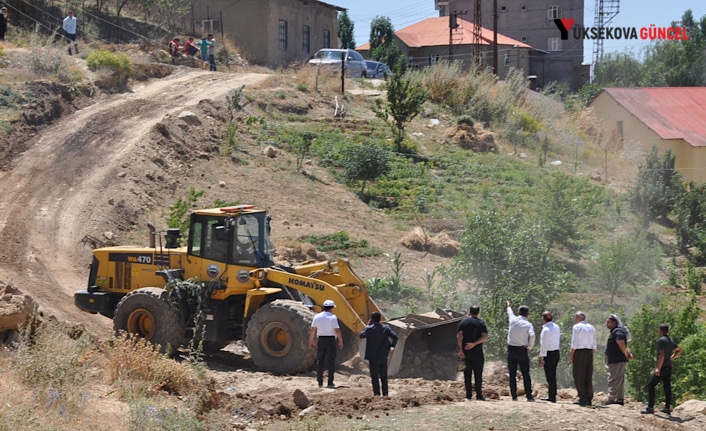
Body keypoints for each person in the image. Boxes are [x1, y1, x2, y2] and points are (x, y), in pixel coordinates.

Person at [641, 324, 683, 415]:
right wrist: (672, 357)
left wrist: (658, 369)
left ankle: (650, 408)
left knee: (651, 385)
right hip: (669, 366)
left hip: (663, 367)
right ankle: (667, 407)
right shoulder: (670, 340)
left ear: (660, 330)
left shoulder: (661, 340)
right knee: (667, 387)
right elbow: (679, 350)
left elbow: (662, 355)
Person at [359, 311, 398, 396]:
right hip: (383, 355)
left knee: (374, 377)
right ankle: (385, 394)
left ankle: (377, 394)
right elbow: (395, 337)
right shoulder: (386, 328)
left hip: (373, 356)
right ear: (380, 319)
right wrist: (392, 347)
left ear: (372, 319)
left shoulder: (369, 329)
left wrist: (367, 326)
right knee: (384, 376)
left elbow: (361, 335)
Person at [457, 305, 488, 401]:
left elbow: (459, 336)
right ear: (478, 312)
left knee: (467, 374)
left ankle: (468, 395)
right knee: (478, 374)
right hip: (478, 353)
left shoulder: (463, 322)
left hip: (466, 353)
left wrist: (461, 350)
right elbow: (485, 336)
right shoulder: (481, 323)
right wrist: (474, 344)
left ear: (469, 312)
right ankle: (479, 395)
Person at [309, 299, 343, 389]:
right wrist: (340, 340)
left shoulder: (317, 316)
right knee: (331, 361)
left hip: (321, 340)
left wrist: (311, 340)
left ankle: (320, 381)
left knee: (320, 361)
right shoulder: (333, 317)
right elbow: (337, 329)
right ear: (331, 308)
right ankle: (330, 382)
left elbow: (312, 329)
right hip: (331, 340)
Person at [506, 300, 535, 401]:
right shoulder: (528, 324)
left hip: (512, 349)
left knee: (512, 373)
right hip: (522, 350)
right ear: (527, 315)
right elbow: (532, 335)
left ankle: (514, 396)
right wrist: (529, 346)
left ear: (518, 313)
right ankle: (529, 396)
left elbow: (509, 312)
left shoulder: (513, 320)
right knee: (525, 373)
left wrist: (509, 306)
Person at [603, 314, 632, 406]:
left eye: (608, 322)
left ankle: (611, 398)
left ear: (614, 323)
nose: (606, 323)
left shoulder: (618, 332)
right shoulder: (615, 332)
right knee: (619, 378)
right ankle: (619, 399)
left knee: (614, 378)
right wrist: (627, 354)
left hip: (617, 359)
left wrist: (626, 354)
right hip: (615, 359)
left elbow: (621, 344)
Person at [569, 311, 597, 407]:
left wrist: (572, 355)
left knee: (578, 375)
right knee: (588, 374)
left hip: (579, 352)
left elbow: (574, 343)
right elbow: (594, 344)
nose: (574, 319)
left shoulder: (577, 327)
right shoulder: (591, 327)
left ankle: (583, 398)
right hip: (589, 352)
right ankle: (589, 397)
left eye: (575, 317)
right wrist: (591, 355)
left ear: (580, 318)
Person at [539, 310, 560, 403]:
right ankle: (552, 394)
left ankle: (551, 396)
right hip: (556, 352)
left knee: (549, 375)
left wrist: (541, 357)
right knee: (553, 375)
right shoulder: (556, 327)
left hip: (549, 353)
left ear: (543, 319)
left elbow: (544, 344)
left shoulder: (546, 329)